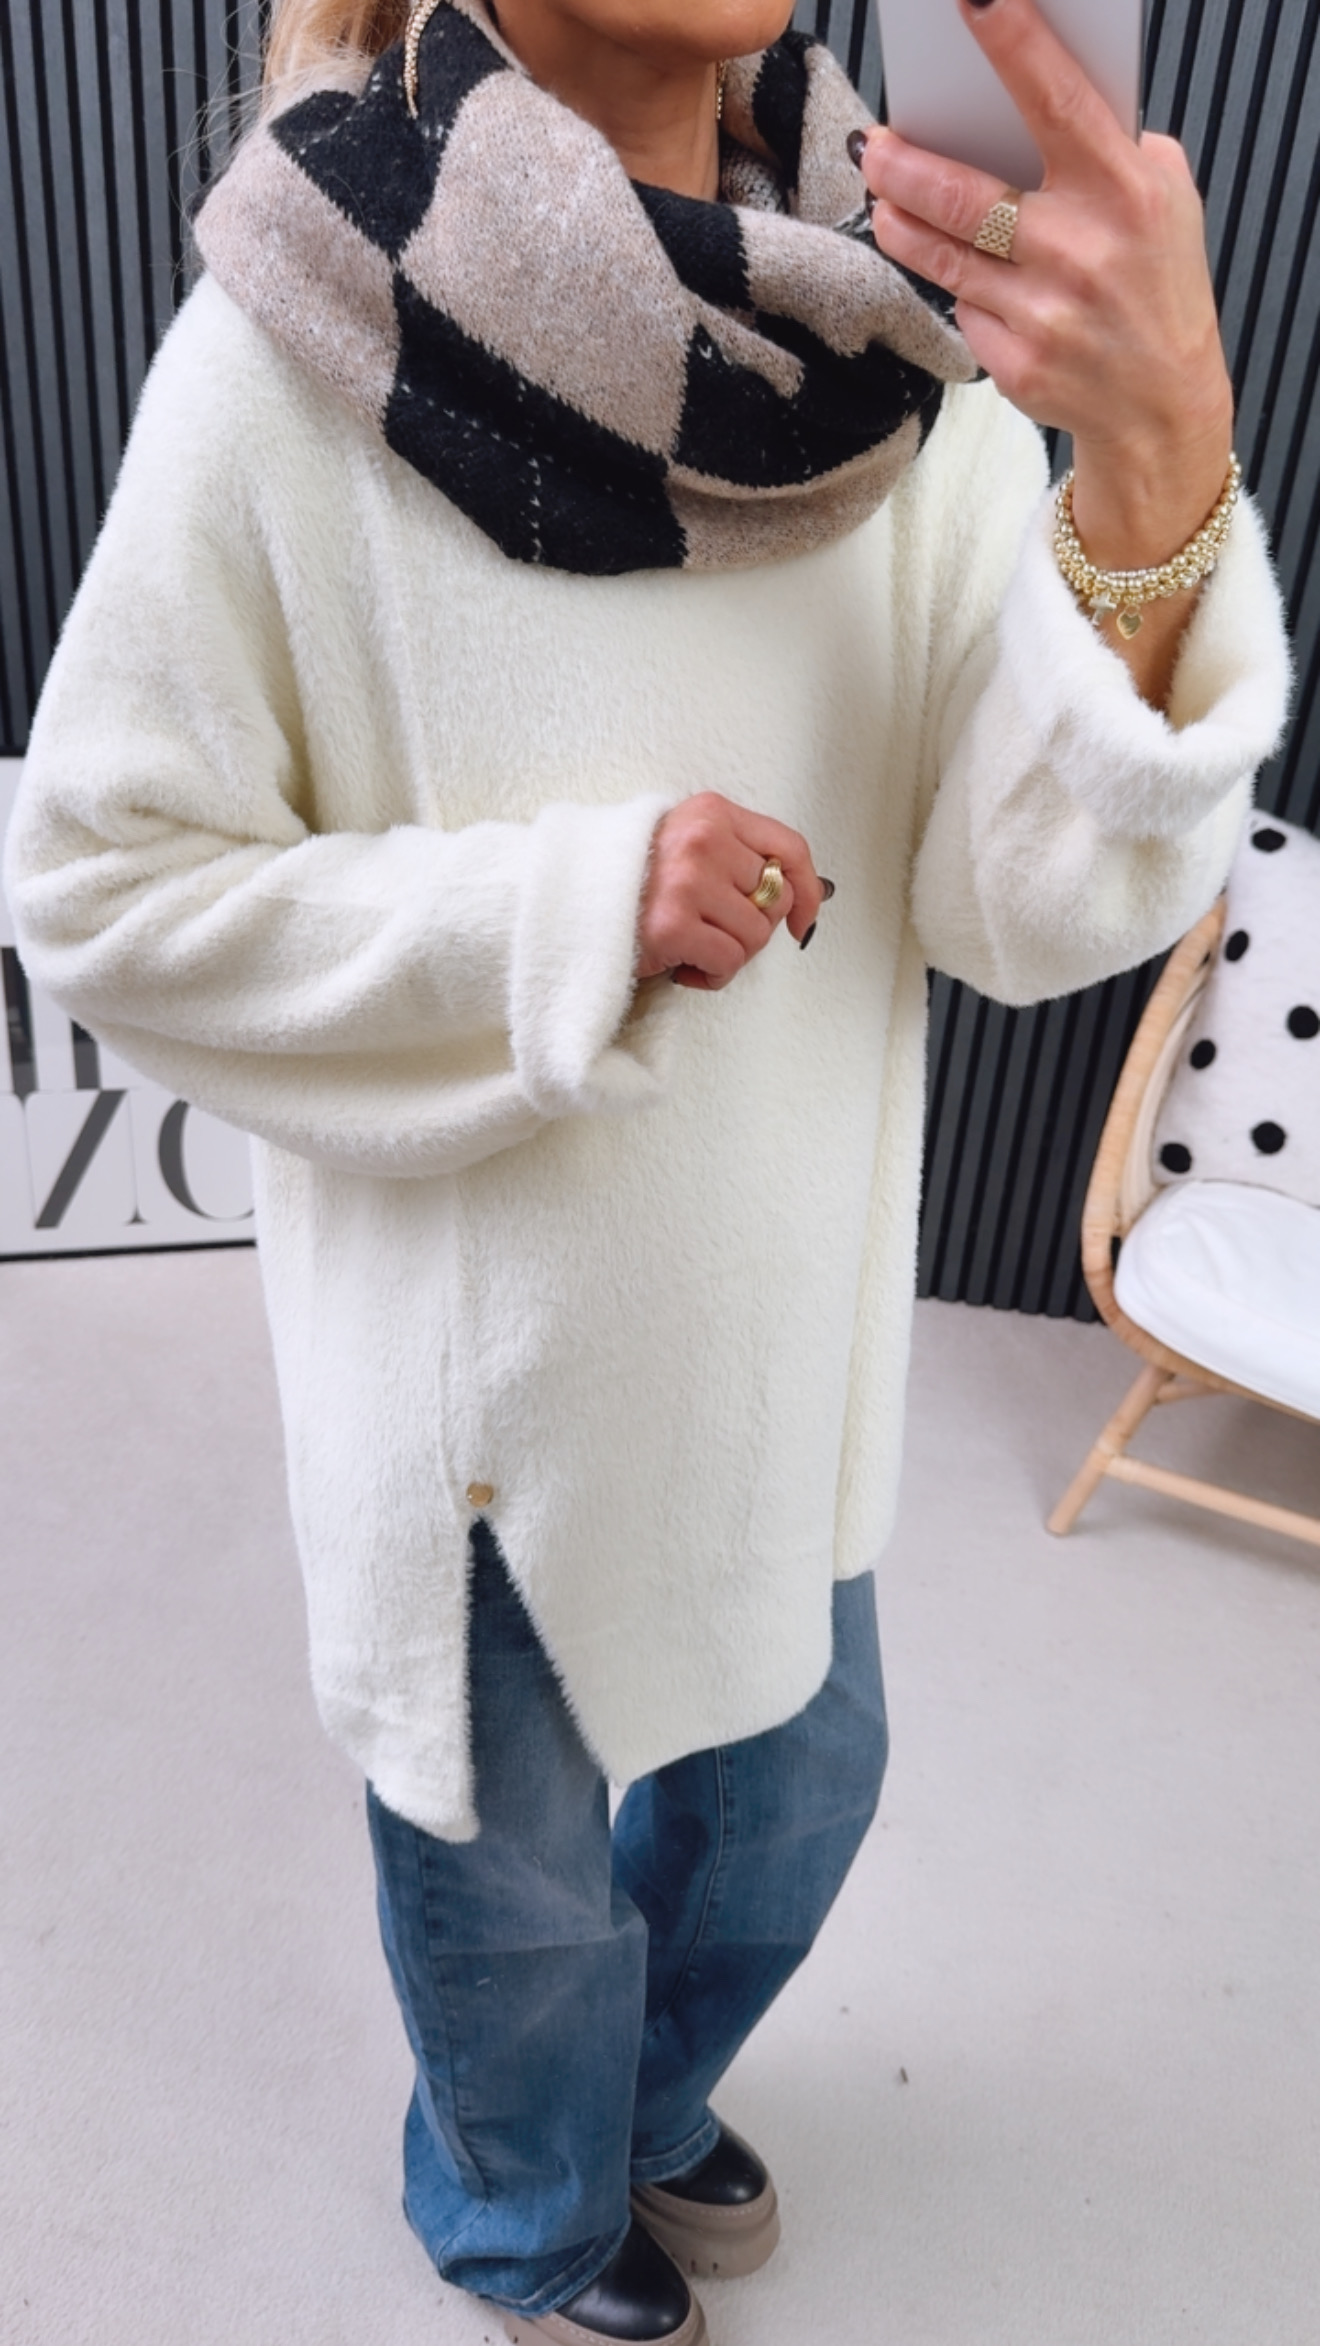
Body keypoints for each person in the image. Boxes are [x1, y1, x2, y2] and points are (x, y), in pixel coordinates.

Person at [5, 1, 1290, 2340]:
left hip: (787, 1336)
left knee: (799, 1799)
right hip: (479, 1405)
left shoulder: (880, 344)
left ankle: (635, 2095)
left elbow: (1013, 909)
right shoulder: (307, 322)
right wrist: (566, 918)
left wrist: (1157, 485)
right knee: (512, 1902)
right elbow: (101, 889)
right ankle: (523, 2210)